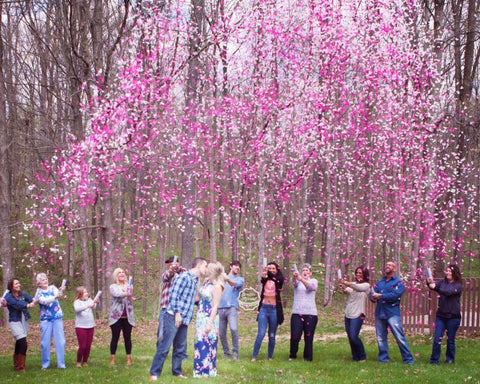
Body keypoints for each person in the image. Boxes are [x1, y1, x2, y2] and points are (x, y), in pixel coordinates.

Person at [149, 257, 208, 381]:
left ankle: (177, 372)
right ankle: (154, 373)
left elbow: (189, 299)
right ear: (199, 265)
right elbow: (174, 296)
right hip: (173, 316)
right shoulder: (184, 277)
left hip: (185, 318)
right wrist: (177, 314)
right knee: (165, 346)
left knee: (180, 347)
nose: (206, 269)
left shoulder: (195, 280)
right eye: (205, 266)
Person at [370, 261, 414, 364]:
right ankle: (383, 359)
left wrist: (380, 296)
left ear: (394, 269)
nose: (387, 267)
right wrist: (373, 297)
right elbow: (372, 294)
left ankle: (408, 360)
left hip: (392, 313)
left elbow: (395, 295)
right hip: (380, 312)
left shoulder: (398, 283)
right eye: (386, 265)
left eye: (390, 265)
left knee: (399, 337)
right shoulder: (379, 283)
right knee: (380, 337)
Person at [193, 261, 226, 377]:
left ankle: (208, 371)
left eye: (208, 268)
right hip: (201, 315)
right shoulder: (206, 282)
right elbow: (198, 297)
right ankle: (199, 370)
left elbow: (215, 305)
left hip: (209, 316)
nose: (206, 269)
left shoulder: (217, 286)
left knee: (208, 342)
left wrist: (210, 323)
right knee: (199, 341)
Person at [426, 264, 462, 364]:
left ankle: (450, 359)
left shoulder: (458, 285)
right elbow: (433, 287)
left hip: (453, 317)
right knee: (437, 338)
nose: (448, 273)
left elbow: (448, 292)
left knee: (450, 340)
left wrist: (436, 288)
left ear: (455, 273)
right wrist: (429, 282)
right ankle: (434, 360)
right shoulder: (442, 282)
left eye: (450, 271)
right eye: (447, 271)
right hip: (441, 316)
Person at [251, 261, 285, 362]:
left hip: (274, 309)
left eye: (273, 268)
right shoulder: (266, 278)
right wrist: (264, 274)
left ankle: (270, 356)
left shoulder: (279, 279)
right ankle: (254, 356)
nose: (271, 270)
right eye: (269, 268)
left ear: (277, 270)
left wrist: (267, 272)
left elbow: (278, 281)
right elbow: (264, 279)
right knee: (261, 333)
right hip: (264, 309)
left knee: (272, 334)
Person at [4, 278, 36, 371]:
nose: (19, 285)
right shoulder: (8, 296)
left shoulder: (22, 294)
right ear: (11, 286)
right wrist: (28, 305)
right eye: (16, 283)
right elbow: (17, 305)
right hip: (15, 321)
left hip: (24, 320)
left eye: (19, 283)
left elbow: (31, 299)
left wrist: (35, 300)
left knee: (19, 342)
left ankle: (17, 365)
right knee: (23, 343)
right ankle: (21, 367)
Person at [339, 266, 370, 362]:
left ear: (364, 275)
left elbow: (358, 288)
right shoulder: (352, 284)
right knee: (350, 337)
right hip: (348, 313)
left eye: (360, 273)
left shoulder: (366, 285)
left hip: (358, 314)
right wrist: (342, 288)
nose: (358, 274)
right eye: (357, 272)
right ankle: (355, 357)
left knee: (353, 336)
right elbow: (347, 290)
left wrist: (344, 282)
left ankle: (362, 355)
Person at [36, 273, 67, 369]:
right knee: (45, 343)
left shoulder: (53, 288)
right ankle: (45, 365)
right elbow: (43, 301)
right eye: (42, 280)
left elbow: (59, 294)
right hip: (45, 320)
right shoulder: (38, 292)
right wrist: (55, 297)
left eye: (46, 279)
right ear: (39, 283)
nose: (45, 281)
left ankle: (61, 365)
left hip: (57, 317)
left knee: (60, 341)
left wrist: (61, 291)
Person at [289, 263, 318, 362]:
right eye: (303, 270)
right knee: (295, 336)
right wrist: (295, 277)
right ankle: (293, 355)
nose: (305, 272)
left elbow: (311, 288)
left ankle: (307, 357)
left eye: (307, 270)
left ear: (310, 273)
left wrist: (301, 279)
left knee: (308, 337)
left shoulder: (314, 281)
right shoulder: (297, 282)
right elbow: (294, 283)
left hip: (311, 314)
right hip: (297, 312)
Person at [218, 260, 244, 361]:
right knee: (221, 332)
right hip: (220, 308)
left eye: (239, 267)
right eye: (235, 266)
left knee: (234, 329)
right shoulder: (221, 279)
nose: (237, 268)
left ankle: (235, 352)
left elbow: (234, 284)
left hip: (232, 308)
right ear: (230, 267)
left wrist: (226, 278)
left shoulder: (240, 279)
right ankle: (226, 353)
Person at [109, 267, 135, 366]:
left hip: (128, 316)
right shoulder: (113, 286)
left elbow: (129, 296)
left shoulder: (129, 286)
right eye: (119, 272)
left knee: (127, 337)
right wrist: (127, 293)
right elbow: (117, 294)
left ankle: (128, 358)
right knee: (115, 337)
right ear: (116, 276)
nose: (121, 274)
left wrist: (131, 296)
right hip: (116, 316)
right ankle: (112, 358)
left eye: (123, 272)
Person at [157, 256, 186, 343]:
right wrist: (172, 271)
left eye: (172, 262)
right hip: (166, 308)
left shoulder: (183, 273)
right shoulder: (167, 273)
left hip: (178, 309)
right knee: (161, 334)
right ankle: (160, 353)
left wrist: (177, 268)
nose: (171, 264)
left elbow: (186, 274)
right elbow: (165, 277)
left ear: (178, 263)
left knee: (179, 336)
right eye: (169, 263)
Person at [74, 286, 100, 367]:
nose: (87, 294)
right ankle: (78, 361)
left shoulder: (89, 300)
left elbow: (96, 308)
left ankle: (85, 361)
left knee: (88, 346)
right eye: (85, 292)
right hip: (81, 327)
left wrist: (97, 303)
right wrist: (88, 305)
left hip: (90, 326)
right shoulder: (77, 302)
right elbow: (77, 309)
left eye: (86, 292)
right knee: (82, 346)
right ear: (80, 294)